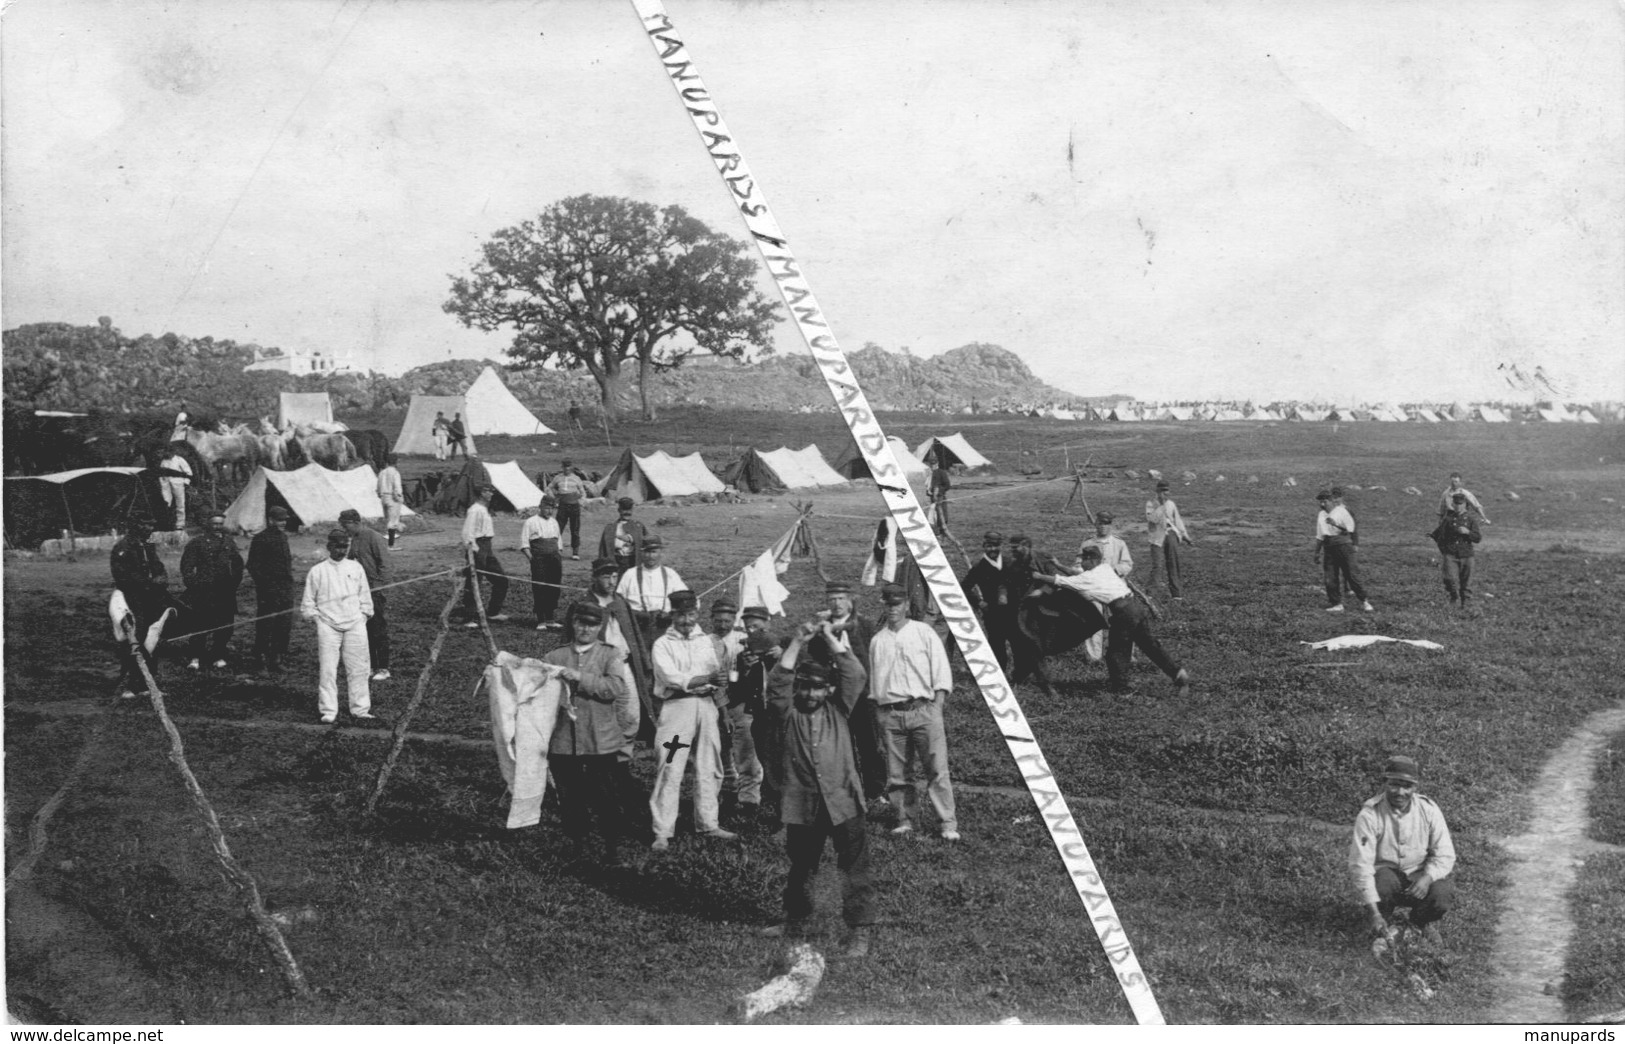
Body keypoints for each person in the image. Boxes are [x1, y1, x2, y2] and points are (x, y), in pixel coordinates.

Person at [759, 618, 876, 957]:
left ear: (829, 691)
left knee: (854, 868)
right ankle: (796, 921)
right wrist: (797, 640)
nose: (810, 694)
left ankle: (859, 931)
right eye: (805, 687)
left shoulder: (839, 710)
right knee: (801, 865)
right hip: (803, 804)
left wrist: (827, 635)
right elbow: (778, 682)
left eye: (817, 688)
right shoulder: (787, 713)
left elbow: (855, 674)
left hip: (844, 802)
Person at [545, 601, 637, 866]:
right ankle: (579, 848)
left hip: (600, 740)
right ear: (572, 624)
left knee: (606, 796)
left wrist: (579, 678)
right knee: (570, 796)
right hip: (564, 740)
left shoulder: (611, 655)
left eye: (592, 624)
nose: (586, 629)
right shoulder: (554, 657)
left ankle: (612, 849)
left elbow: (614, 688)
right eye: (580, 622)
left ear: (600, 627)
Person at [1036, 545, 1191, 697]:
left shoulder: (1088, 578)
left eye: (1083, 560)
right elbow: (1075, 574)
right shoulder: (1104, 568)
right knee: (1150, 645)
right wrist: (1058, 564)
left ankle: (1122, 690)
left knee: (1116, 653)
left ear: (1090, 560)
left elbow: (1060, 581)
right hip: (1135, 607)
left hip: (1123, 614)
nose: (1081, 563)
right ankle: (1177, 673)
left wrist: (1037, 576)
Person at [868, 583, 958, 841]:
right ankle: (905, 819)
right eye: (888, 604)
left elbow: (941, 671)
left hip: (923, 710)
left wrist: (937, 706)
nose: (892, 608)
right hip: (892, 714)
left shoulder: (923, 632)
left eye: (897, 603)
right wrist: (881, 715)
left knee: (937, 770)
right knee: (898, 773)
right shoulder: (878, 640)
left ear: (906, 605)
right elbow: (876, 683)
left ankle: (947, 824)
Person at [648, 590, 736, 851]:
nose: (686, 620)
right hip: (678, 708)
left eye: (690, 614)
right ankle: (663, 831)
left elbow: (716, 677)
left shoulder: (705, 641)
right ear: (672, 615)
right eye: (680, 615)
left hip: (707, 707)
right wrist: (705, 679)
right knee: (671, 765)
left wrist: (723, 710)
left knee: (710, 764)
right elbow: (671, 678)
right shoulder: (663, 644)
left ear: (697, 613)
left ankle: (708, 823)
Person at [1348, 755, 1456, 947]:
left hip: (1418, 877)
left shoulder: (1428, 809)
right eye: (1394, 784)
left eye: (1407, 786)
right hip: (1387, 879)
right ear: (1384, 783)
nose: (1400, 792)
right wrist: (1374, 914)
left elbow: (1445, 854)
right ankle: (1383, 922)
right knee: (1382, 881)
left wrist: (1427, 878)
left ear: (1415, 787)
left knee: (1442, 894)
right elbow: (1360, 866)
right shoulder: (1370, 814)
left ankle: (1418, 924)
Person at [815, 581, 885, 805]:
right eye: (832, 600)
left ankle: (876, 789)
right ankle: (848, 788)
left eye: (841, 599)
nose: (837, 604)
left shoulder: (863, 625)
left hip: (864, 694)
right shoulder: (821, 628)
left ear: (850, 601)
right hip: (835, 695)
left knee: (870, 742)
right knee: (841, 744)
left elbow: (874, 658)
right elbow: (816, 660)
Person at [300, 528, 375, 724]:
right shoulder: (317, 571)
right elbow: (308, 604)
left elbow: (365, 597)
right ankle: (328, 709)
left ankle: (360, 709)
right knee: (328, 669)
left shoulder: (356, 568)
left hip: (355, 623)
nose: (342, 551)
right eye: (338, 547)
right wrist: (318, 619)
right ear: (329, 547)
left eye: (345, 547)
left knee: (359, 668)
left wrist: (363, 616)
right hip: (328, 625)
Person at [729, 608, 783, 823]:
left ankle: (781, 803)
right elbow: (733, 686)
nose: (753, 631)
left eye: (757, 626)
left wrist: (780, 657)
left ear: (767, 624)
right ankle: (750, 801)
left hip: (778, 714)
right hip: (754, 712)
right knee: (751, 757)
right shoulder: (743, 655)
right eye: (749, 627)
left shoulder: (781, 649)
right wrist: (745, 671)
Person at [179, 512, 244, 671]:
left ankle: (219, 654)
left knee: (225, 625)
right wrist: (195, 586)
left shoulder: (229, 542)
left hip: (224, 591)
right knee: (200, 625)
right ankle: (195, 656)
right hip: (204, 592)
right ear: (207, 524)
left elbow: (238, 565)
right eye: (215, 524)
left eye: (221, 524)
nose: (218, 527)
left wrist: (233, 583)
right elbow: (186, 568)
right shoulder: (197, 543)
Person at [615, 536, 688, 671]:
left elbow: (688, 601)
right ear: (641, 553)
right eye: (647, 552)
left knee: (665, 664)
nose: (650, 556)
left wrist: (671, 614)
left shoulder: (670, 574)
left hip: (664, 627)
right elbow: (618, 603)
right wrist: (635, 614)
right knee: (639, 665)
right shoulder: (630, 575)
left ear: (661, 552)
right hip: (638, 627)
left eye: (654, 552)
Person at [340, 509, 392, 681]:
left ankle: (383, 667)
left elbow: (385, 564)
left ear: (356, 522)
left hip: (374, 591)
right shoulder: (353, 539)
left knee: (378, 628)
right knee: (363, 630)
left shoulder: (373, 537)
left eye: (346, 524)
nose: (344, 528)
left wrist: (379, 588)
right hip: (359, 592)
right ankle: (370, 665)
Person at [1077, 513, 1133, 663]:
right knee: (1093, 617)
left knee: (1123, 619)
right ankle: (1093, 655)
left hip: (1114, 586)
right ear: (1095, 524)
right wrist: (1085, 574)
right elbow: (1077, 564)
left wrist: (1114, 570)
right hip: (1094, 587)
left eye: (1106, 524)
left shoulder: (1118, 543)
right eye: (1100, 524)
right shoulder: (1087, 543)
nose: (1103, 527)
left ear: (1111, 526)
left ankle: (1125, 653)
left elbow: (1127, 564)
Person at [246, 506, 296, 674]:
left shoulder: (283, 537)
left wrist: (288, 585)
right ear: (270, 520)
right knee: (266, 626)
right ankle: (260, 661)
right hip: (268, 592)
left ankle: (276, 659)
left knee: (283, 626)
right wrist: (266, 586)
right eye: (279, 520)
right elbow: (253, 566)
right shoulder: (260, 539)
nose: (282, 523)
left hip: (285, 590)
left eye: (284, 520)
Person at [110, 516, 172, 645]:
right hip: (132, 593)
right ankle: (135, 651)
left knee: (159, 618)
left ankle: (149, 646)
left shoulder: (147, 546)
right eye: (146, 525)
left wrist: (162, 577)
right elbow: (122, 574)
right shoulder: (123, 547)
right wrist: (149, 582)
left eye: (151, 525)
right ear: (136, 526)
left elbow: (157, 566)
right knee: (139, 622)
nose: (150, 528)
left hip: (151, 592)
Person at [962, 530, 1013, 670]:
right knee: (997, 643)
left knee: (1017, 641)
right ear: (984, 546)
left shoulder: (1010, 562)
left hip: (1013, 610)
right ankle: (999, 672)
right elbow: (964, 587)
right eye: (989, 546)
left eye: (995, 546)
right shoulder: (979, 567)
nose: (992, 549)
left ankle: (1019, 675)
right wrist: (979, 602)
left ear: (1000, 546)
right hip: (993, 612)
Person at [1315, 488, 1373, 612]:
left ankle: (1364, 601)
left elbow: (1349, 530)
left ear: (1331, 501)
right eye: (1320, 502)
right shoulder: (1321, 514)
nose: (1322, 504)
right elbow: (1320, 535)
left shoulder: (1342, 511)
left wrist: (1335, 524)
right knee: (1330, 577)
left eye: (1324, 501)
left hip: (1343, 546)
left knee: (1351, 575)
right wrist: (1316, 552)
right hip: (1329, 547)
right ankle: (1336, 603)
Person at [460, 485, 510, 626]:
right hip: (477, 546)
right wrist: (473, 550)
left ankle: (493, 612)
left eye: (492, 492)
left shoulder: (484, 509)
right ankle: (468, 617)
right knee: (474, 582)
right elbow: (467, 533)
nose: (491, 494)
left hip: (487, 547)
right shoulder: (474, 510)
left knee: (501, 580)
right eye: (488, 491)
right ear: (481, 493)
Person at [1429, 492, 1482, 607]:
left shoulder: (1471, 520)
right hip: (1451, 554)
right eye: (1456, 503)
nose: (1458, 506)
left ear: (1465, 505)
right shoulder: (1448, 520)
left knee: (1466, 582)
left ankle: (1466, 604)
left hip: (1467, 554)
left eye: (1460, 504)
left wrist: (1467, 532)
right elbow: (1438, 536)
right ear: (1453, 504)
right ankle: (1454, 596)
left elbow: (1477, 538)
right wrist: (1445, 552)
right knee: (1449, 579)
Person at [519, 497, 565, 630]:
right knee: (540, 587)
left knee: (554, 586)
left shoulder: (554, 522)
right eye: (547, 508)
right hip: (539, 559)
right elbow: (524, 544)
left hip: (554, 558)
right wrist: (532, 559)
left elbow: (559, 542)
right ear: (540, 507)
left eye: (552, 508)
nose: (549, 511)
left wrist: (557, 556)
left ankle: (550, 619)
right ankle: (541, 620)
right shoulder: (530, 522)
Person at [1144, 480, 1192, 599]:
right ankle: (1150, 595)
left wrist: (1185, 536)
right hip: (1156, 537)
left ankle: (1176, 594)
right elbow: (1153, 519)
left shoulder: (1171, 504)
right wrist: (1160, 505)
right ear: (1157, 492)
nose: (1165, 494)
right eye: (1162, 491)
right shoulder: (1150, 504)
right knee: (1158, 565)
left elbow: (1178, 520)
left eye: (1167, 491)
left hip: (1171, 534)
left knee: (1173, 563)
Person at [547, 459, 591, 560]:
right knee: (558, 528)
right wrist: (554, 499)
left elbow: (583, 492)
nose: (567, 469)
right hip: (562, 505)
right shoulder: (558, 478)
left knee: (575, 529)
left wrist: (581, 501)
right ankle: (556, 550)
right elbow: (549, 488)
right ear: (562, 467)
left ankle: (575, 552)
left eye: (568, 466)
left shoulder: (576, 478)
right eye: (565, 466)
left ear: (571, 467)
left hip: (574, 505)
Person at [597, 497, 649, 574]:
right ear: (619, 510)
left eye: (629, 510)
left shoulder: (638, 526)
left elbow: (646, 543)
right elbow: (603, 550)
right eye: (624, 510)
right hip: (616, 562)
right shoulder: (610, 528)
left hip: (633, 562)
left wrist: (631, 539)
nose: (627, 513)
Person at [158, 445, 193, 531]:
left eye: (168, 452)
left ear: (172, 452)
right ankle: (168, 522)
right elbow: (161, 472)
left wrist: (186, 482)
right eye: (165, 452)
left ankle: (180, 524)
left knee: (180, 503)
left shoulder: (179, 460)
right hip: (166, 484)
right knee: (166, 502)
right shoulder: (163, 461)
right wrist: (162, 482)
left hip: (178, 483)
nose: (166, 454)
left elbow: (188, 472)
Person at [377, 454, 405, 549]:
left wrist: (380, 494)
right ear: (396, 462)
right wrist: (399, 498)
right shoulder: (395, 473)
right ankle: (391, 544)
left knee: (387, 519)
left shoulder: (382, 472)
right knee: (393, 521)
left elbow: (378, 485)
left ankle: (387, 543)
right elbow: (397, 487)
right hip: (392, 497)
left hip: (383, 496)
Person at [927, 454, 952, 535]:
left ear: (937, 463)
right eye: (931, 464)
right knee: (933, 515)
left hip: (940, 497)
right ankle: (936, 532)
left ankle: (943, 533)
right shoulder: (930, 474)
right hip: (932, 498)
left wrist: (938, 491)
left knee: (942, 516)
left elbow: (947, 485)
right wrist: (929, 491)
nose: (933, 466)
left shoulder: (942, 472)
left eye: (934, 464)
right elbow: (928, 485)